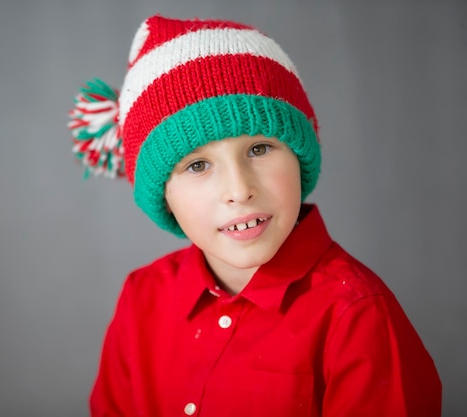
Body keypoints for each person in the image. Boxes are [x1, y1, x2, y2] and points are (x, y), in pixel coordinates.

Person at [68, 14, 442, 417]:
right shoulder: (143, 299)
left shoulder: (356, 315)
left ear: (300, 157)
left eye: (259, 149)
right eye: (197, 166)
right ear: (163, 196)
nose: (238, 189)